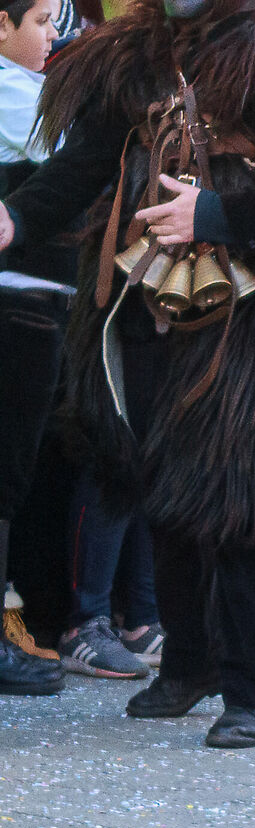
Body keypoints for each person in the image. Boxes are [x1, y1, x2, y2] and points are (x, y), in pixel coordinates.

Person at [0, 0, 255, 747]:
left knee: (250, 500)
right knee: (161, 488)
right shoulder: (132, 54)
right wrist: (13, 219)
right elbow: (83, 165)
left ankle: (254, 689)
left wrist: (215, 216)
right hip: (147, 304)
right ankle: (189, 664)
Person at [0, 0, 65, 694]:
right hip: (19, 299)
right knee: (7, 473)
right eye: (43, 20)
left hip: (39, 299)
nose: (55, 34)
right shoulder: (17, 97)